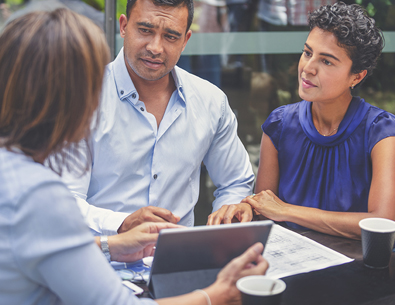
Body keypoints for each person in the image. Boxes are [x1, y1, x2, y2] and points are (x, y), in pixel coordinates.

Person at [0, 9, 269, 305]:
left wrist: (112, 244)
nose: (155, 47)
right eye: (90, 80)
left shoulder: (15, 172)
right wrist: (212, 296)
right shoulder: (40, 195)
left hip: (169, 266)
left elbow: (48, 248)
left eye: (170, 36)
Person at [61, 0, 255, 236]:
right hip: (99, 258)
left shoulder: (210, 102)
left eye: (170, 36)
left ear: (185, 41)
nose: (155, 47)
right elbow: (62, 201)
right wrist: (121, 223)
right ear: (123, 26)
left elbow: (235, 181)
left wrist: (225, 215)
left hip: (179, 260)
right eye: (145, 30)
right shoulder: (80, 98)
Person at [208, 2, 395, 240]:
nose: (308, 68)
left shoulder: (381, 131)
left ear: (356, 77)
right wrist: (246, 208)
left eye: (326, 61)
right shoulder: (279, 125)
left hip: (357, 270)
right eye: (308, 53)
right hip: (290, 266)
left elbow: (382, 223)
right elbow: (265, 210)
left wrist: (287, 211)